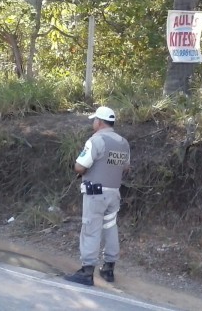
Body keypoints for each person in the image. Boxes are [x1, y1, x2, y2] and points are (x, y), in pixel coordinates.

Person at [65, 106, 130, 286]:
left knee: (91, 228)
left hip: (95, 193)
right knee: (110, 227)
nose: (93, 123)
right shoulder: (123, 142)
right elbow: (125, 168)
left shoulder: (96, 140)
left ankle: (86, 272)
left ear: (99, 122)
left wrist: (85, 170)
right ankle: (108, 269)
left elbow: (80, 166)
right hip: (114, 193)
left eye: (94, 120)